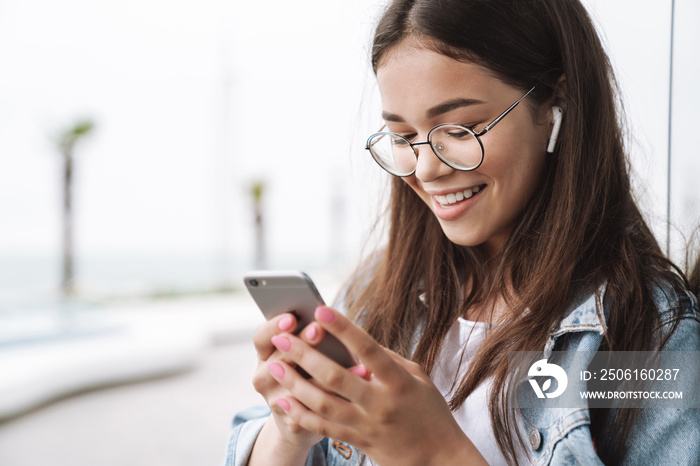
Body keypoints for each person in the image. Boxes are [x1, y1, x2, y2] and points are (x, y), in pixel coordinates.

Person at [225, 0, 700, 464]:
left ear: (556, 104)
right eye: (405, 137)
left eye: (460, 128)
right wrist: (289, 432)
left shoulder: (650, 334)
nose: (426, 169)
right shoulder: (377, 293)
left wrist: (434, 453)